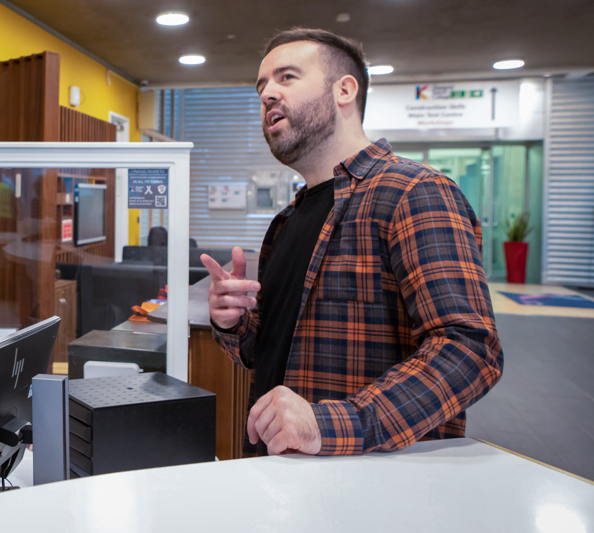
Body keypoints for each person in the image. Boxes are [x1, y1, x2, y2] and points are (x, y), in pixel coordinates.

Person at [201, 28, 503, 458]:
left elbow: (470, 351)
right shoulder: (286, 221)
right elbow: (268, 355)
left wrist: (330, 424)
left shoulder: (414, 193)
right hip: (277, 473)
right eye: (261, 85)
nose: (267, 93)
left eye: (286, 77)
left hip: (373, 486)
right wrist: (232, 324)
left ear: (344, 90)